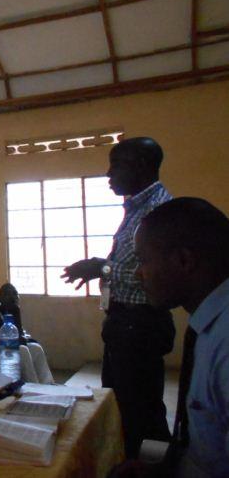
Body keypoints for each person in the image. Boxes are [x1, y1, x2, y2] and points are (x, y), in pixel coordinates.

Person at [62, 136, 175, 458]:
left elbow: (155, 273)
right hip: (125, 324)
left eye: (116, 165)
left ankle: (148, 466)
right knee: (123, 404)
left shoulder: (157, 211)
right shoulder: (137, 208)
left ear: (141, 166)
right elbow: (132, 262)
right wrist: (103, 267)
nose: (108, 174)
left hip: (139, 326)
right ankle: (133, 460)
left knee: (139, 410)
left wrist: (102, 267)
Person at [132, 198, 229, 477]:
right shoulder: (208, 324)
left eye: (143, 261)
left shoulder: (225, 342)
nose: (138, 274)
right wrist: (164, 464)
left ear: (184, 260)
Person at [0, 285, 54, 384]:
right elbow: (16, 341)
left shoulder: (13, 313)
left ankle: (47, 384)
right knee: (22, 349)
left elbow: (20, 337)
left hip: (7, 349)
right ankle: (33, 385)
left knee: (35, 347)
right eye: (7, 294)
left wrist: (17, 315)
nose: (12, 297)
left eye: (15, 294)